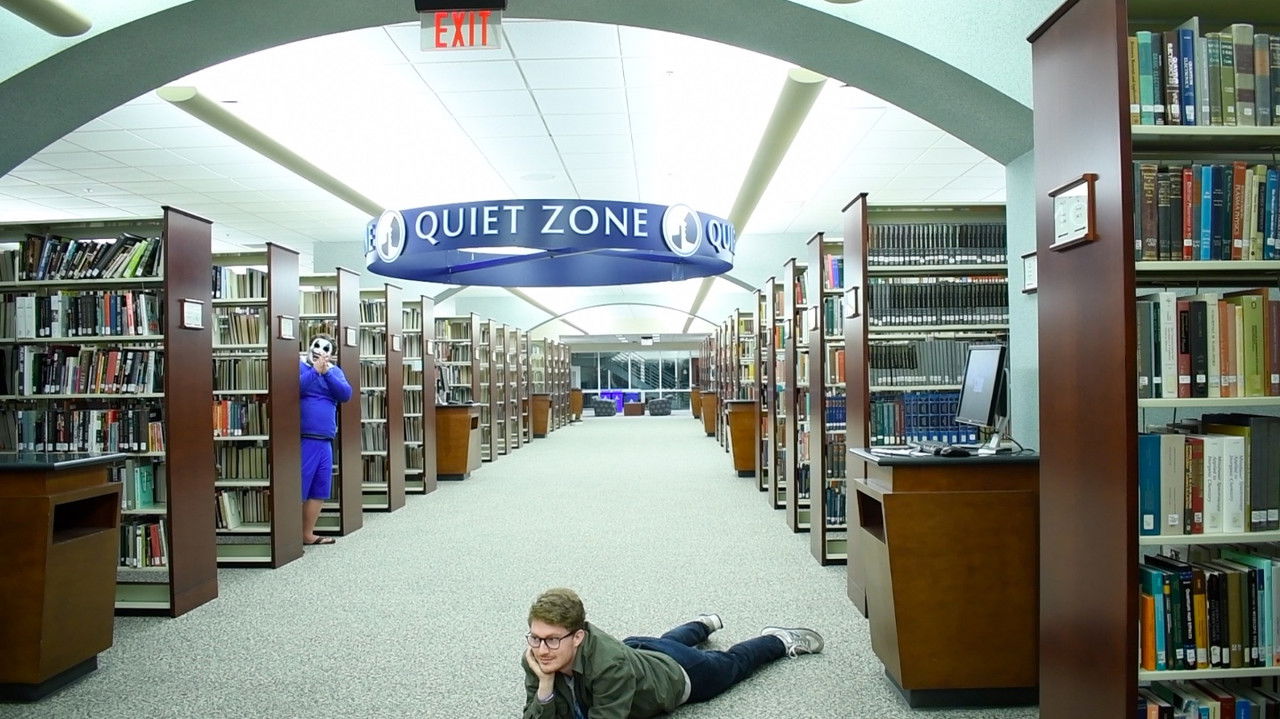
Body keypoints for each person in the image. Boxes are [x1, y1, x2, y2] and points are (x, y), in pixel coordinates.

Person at [521, 587, 822, 718]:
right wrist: (545, 686)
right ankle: (701, 624)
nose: (542, 650)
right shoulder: (537, 656)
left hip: (677, 673)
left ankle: (779, 639)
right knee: (666, 642)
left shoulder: (609, 666)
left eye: (552, 640)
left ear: (578, 637)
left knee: (732, 665)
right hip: (639, 651)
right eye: (536, 638)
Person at [299, 332, 351, 545]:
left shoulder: (335, 372)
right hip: (304, 437)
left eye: (325, 350)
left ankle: (307, 533)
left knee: (320, 487)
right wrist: (314, 371)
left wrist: (327, 373)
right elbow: (295, 388)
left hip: (325, 438)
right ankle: (289, 535)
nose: (319, 353)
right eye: (317, 347)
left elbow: (345, 394)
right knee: (300, 485)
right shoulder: (300, 367)